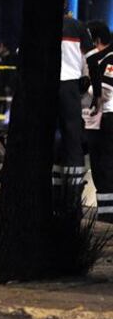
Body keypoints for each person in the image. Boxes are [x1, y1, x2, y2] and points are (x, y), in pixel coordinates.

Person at [55, 14, 95, 189]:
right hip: (70, 85)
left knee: (48, 136)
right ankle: (74, 189)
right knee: (72, 136)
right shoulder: (78, 26)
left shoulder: (39, 24)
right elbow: (91, 59)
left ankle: (53, 185)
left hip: (45, 87)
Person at [86, 21, 113, 221]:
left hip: (109, 119)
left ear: (96, 41)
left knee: (103, 166)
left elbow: (103, 92)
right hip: (104, 119)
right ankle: (106, 213)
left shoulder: (109, 60)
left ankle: (107, 215)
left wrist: (85, 85)